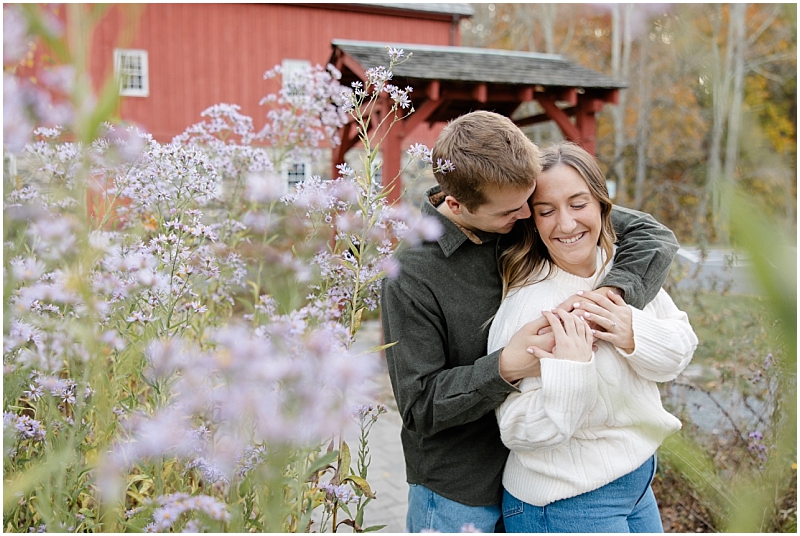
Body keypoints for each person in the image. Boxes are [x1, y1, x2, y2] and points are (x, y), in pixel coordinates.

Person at [380, 111, 680, 533]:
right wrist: (506, 366)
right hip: (461, 489)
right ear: (456, 205)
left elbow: (651, 234)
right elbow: (419, 407)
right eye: (513, 211)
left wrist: (610, 298)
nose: (527, 216)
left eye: (531, 203)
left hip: (544, 476)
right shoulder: (410, 275)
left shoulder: (523, 208)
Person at [487, 142, 698, 533]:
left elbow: (679, 353)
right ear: (532, 221)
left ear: (603, 205)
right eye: (546, 211)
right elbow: (515, 430)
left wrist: (632, 332)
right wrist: (572, 372)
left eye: (578, 204)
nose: (566, 224)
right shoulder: (529, 305)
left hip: (636, 482)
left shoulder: (623, 275)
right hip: (566, 501)